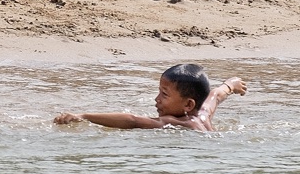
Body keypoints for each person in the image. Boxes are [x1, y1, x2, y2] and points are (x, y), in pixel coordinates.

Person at [53, 63, 246, 131]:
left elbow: (133, 121)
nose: (157, 99)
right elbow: (216, 95)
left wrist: (85, 116)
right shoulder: (203, 116)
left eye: (164, 94)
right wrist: (231, 84)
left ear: (188, 104)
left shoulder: (179, 123)